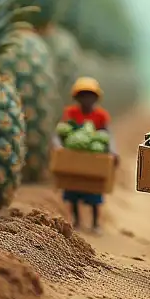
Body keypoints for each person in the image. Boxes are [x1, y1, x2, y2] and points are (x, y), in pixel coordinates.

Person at [54, 76, 118, 232]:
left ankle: (96, 223)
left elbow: (108, 134)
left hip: (94, 158)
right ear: (77, 97)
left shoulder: (101, 115)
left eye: (90, 95)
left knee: (95, 192)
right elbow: (58, 132)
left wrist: (113, 151)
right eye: (83, 95)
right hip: (74, 157)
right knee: (73, 189)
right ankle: (76, 221)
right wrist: (57, 145)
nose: (86, 99)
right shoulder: (70, 112)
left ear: (96, 98)